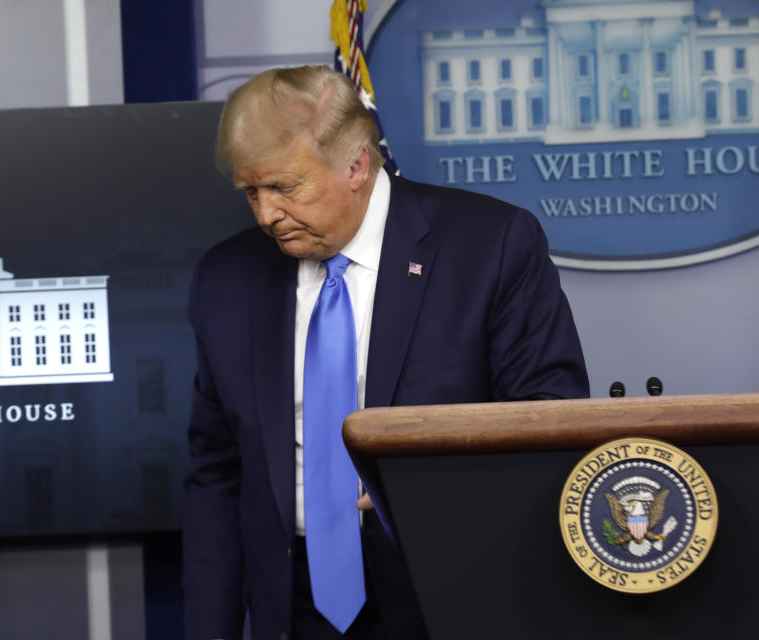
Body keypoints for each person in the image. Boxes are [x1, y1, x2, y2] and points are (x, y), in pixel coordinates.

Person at [184, 65, 589, 640]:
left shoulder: (490, 247)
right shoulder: (225, 280)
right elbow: (215, 475)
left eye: (285, 187)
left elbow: (552, 423)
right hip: (296, 608)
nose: (265, 215)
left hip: (453, 593)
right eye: (252, 191)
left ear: (357, 165)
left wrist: (433, 487)